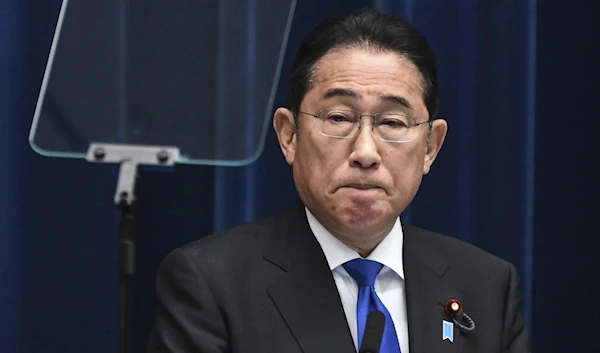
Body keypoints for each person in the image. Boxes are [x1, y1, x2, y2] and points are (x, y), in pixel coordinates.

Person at [147, 9, 531, 353]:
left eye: (392, 123)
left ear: (430, 146)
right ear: (289, 135)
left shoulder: (485, 285)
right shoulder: (212, 284)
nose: (365, 152)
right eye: (338, 118)